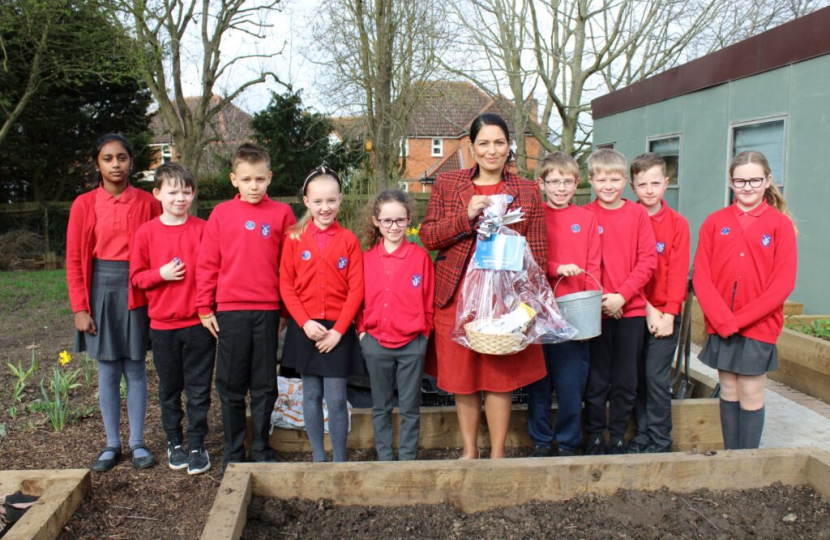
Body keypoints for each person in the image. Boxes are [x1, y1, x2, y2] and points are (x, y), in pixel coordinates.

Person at [420, 113, 547, 460]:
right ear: (472, 148)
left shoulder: (526, 189)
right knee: (463, 376)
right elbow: (429, 236)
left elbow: (537, 250)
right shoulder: (448, 184)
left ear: (509, 146)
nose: (492, 151)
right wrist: (466, 216)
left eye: (499, 143)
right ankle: (469, 450)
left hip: (504, 299)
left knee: (498, 376)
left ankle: (498, 453)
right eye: (484, 143)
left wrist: (529, 302)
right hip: (457, 295)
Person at [195, 143, 296, 471]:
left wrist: (284, 312)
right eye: (246, 179)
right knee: (231, 384)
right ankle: (234, 452)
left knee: (265, 384)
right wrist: (204, 307)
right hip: (231, 311)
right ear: (233, 180)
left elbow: (289, 266)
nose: (254, 186)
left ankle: (262, 448)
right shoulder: (221, 214)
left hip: (267, 311)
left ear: (269, 178)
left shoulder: (282, 214)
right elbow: (208, 264)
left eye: (260, 179)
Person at [66, 133, 161, 472]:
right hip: (100, 289)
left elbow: (160, 245)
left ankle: (137, 442)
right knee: (107, 371)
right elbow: (75, 260)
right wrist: (80, 308)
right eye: (108, 158)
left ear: (131, 161)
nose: (116, 164)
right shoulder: (84, 204)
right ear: (98, 164)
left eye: (121, 157)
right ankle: (111, 444)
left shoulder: (149, 203)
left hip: (137, 288)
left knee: (135, 368)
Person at [693, 150, 797, 450]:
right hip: (721, 324)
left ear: (767, 181)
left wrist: (737, 321)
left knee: (751, 390)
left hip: (758, 326)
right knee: (728, 389)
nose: (747, 186)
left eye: (754, 180)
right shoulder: (715, 222)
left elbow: (783, 284)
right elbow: (702, 276)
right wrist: (722, 320)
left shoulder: (780, 225)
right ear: (731, 181)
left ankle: (747, 461)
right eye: (740, 180)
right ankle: (731, 457)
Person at [130, 162, 215, 474]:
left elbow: (214, 272)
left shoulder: (204, 229)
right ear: (157, 194)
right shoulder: (146, 233)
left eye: (187, 191)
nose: (181, 197)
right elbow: (137, 277)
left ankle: (196, 444)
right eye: (173, 191)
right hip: (163, 327)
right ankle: (174, 442)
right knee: (169, 388)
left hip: (198, 325)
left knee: (198, 388)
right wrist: (160, 274)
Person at [280, 166, 365, 462]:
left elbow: (356, 290)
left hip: (337, 331)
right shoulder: (294, 238)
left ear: (340, 199)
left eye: (331, 200)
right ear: (306, 201)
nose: (324, 207)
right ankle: (319, 457)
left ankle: (339, 459)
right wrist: (304, 323)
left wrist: (339, 331)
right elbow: (286, 285)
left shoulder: (349, 240)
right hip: (307, 329)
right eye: (318, 201)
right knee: (311, 396)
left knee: (336, 397)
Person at [583, 148, 657, 455]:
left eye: (615, 179)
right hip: (595, 310)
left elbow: (648, 261)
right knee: (597, 379)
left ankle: (617, 436)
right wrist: (601, 298)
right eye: (602, 179)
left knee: (626, 379)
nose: (608, 185)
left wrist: (622, 296)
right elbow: (585, 263)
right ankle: (596, 436)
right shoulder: (585, 215)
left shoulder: (637, 214)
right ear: (591, 180)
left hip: (631, 311)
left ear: (625, 181)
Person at [527, 152, 601, 458]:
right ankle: (542, 440)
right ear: (541, 184)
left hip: (574, 314)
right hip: (539, 313)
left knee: (571, 384)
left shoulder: (586, 218)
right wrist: (556, 267)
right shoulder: (534, 216)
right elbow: (529, 260)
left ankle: (569, 442)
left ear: (577, 183)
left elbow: (593, 265)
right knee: (539, 383)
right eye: (554, 182)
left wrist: (588, 305)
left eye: (567, 181)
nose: (560, 188)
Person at [357, 190, 434, 461]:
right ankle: (385, 458)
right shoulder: (365, 259)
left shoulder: (420, 258)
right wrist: (362, 333)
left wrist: (424, 334)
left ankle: (407, 459)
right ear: (376, 222)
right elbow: (356, 298)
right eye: (387, 221)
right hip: (376, 342)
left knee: (411, 406)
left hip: (412, 343)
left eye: (400, 220)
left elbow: (428, 300)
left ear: (409, 220)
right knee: (381, 406)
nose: (393, 227)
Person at [627, 153, 690, 454]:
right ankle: (642, 436)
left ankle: (661, 440)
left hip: (665, 314)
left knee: (655, 376)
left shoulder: (678, 224)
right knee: (636, 376)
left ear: (666, 184)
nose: (649, 190)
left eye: (655, 183)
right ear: (632, 186)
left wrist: (668, 313)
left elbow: (678, 273)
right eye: (642, 184)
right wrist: (646, 307)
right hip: (632, 311)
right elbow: (624, 272)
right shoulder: (628, 219)